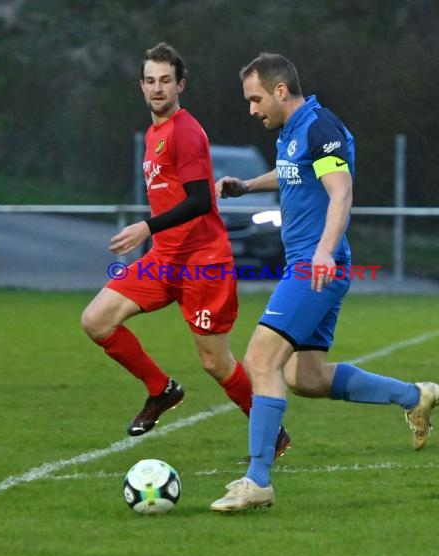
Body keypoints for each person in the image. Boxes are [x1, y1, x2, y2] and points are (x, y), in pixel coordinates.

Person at [210, 53, 439, 512]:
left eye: (255, 99)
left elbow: (341, 190)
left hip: (315, 267)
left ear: (280, 91)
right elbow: (294, 173)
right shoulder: (293, 133)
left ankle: (258, 479)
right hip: (311, 264)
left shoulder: (320, 126)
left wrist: (323, 250)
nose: (252, 109)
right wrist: (246, 186)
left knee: (259, 359)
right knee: (305, 377)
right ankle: (414, 396)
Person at [80, 43, 290, 458]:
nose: (158, 89)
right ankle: (162, 390)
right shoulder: (154, 133)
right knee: (97, 321)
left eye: (166, 81)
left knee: (215, 363)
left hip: (203, 263)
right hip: (164, 259)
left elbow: (198, 201)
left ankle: (272, 430)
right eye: (150, 81)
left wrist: (145, 226)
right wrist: (154, 236)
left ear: (181, 85)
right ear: (141, 85)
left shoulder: (185, 131)